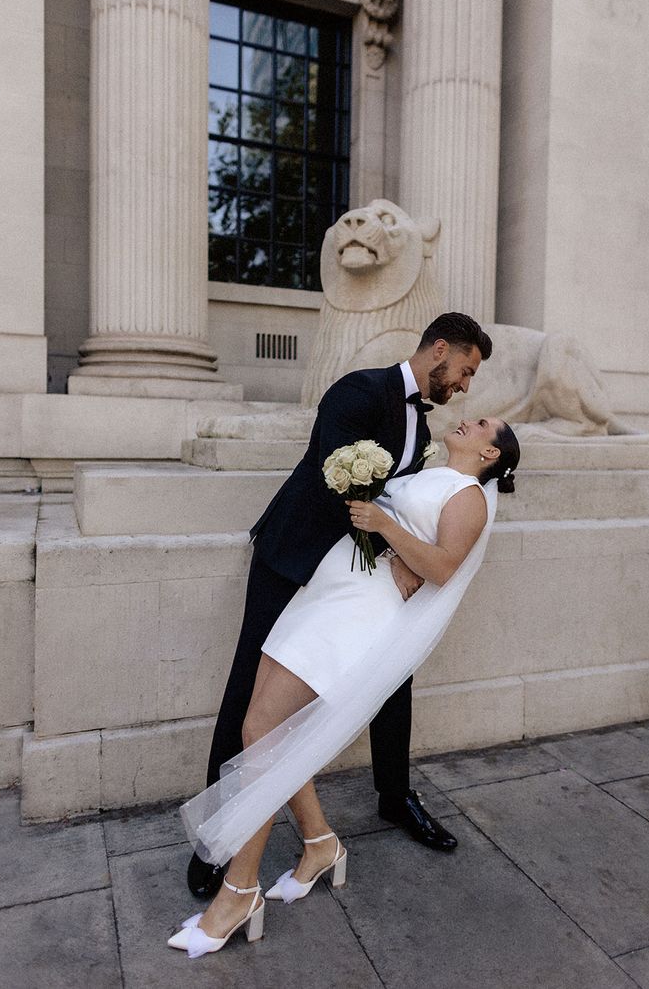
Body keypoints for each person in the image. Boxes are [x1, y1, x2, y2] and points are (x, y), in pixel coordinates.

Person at [169, 415, 520, 958]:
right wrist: (381, 532)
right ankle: (319, 844)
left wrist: (387, 528)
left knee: (262, 728)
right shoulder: (427, 469)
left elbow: (445, 567)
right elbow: (386, 535)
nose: (467, 421)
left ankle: (239, 893)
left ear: (491, 455)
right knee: (267, 730)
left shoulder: (470, 495)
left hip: (358, 615)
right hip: (327, 592)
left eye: (481, 426)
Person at [187, 313, 493, 901]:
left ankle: (395, 795)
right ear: (439, 349)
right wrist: (396, 555)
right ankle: (215, 841)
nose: (465, 384)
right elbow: (341, 485)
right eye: (465, 370)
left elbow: (398, 502)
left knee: (391, 679)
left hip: (357, 581)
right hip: (295, 558)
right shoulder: (358, 390)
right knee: (248, 690)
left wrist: (404, 560)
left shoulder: (422, 433)